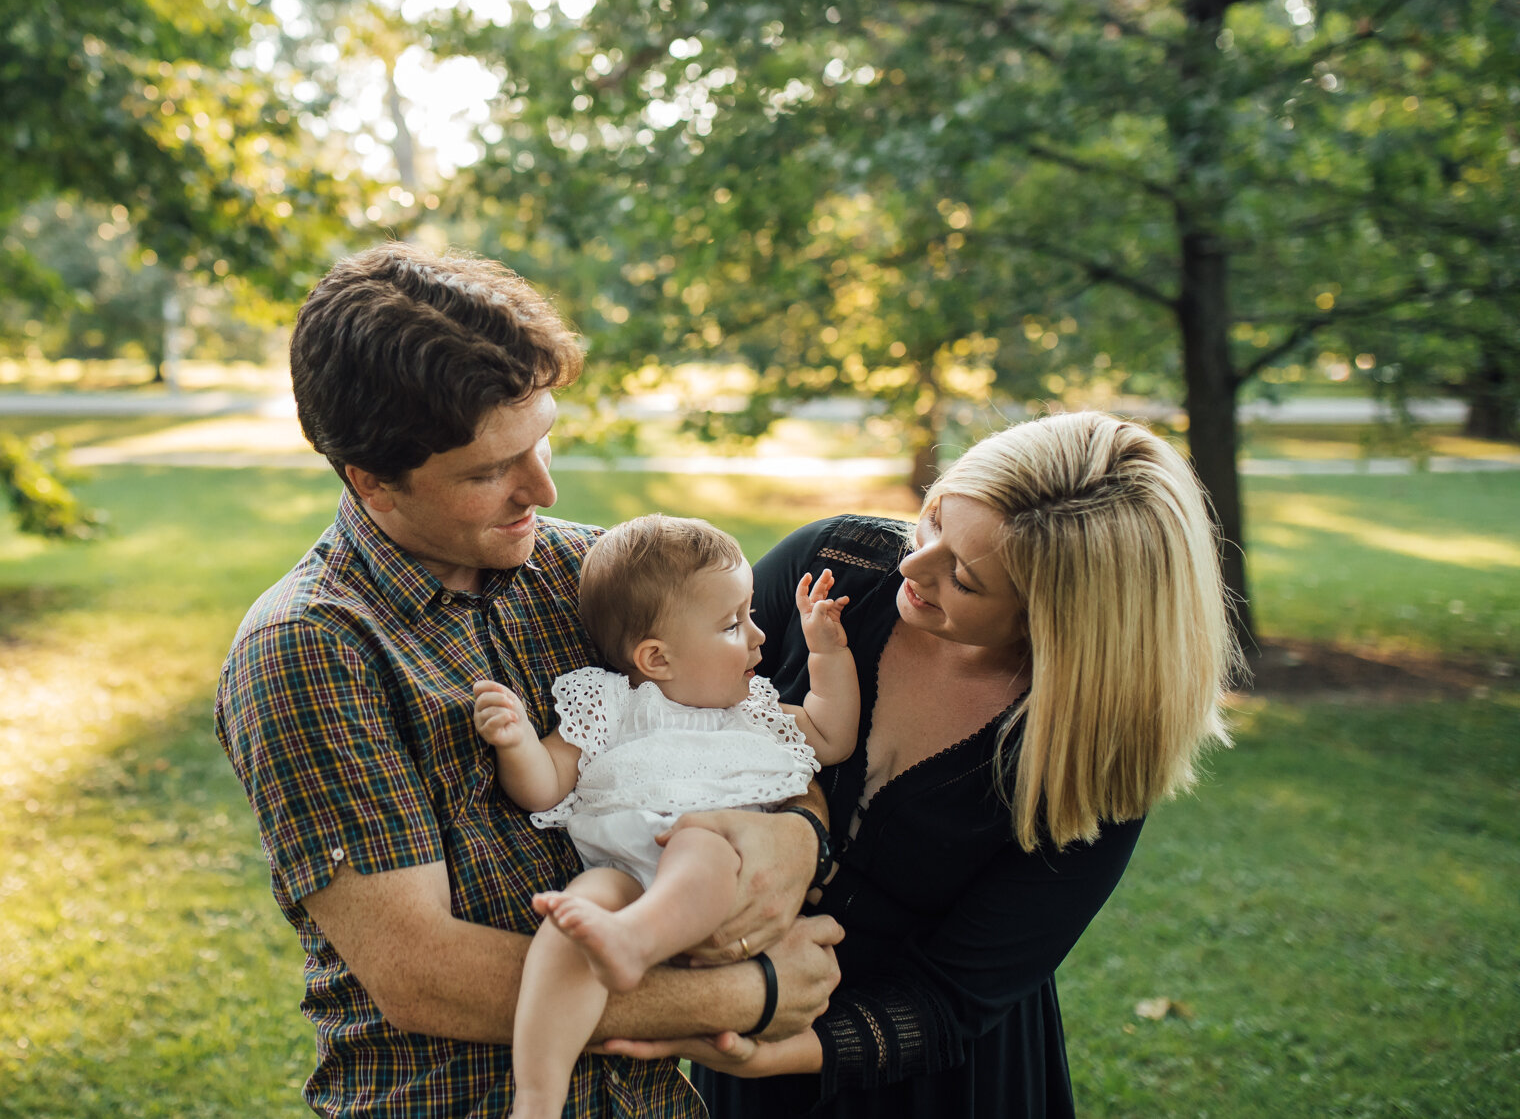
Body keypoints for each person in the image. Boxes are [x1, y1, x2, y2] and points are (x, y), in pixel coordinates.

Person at [214, 243, 844, 1119]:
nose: (540, 487)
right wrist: (749, 991)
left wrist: (799, 836)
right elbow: (422, 974)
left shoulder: (594, 571)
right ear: (372, 483)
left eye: (541, 440)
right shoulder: (310, 647)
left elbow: (750, 741)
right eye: (487, 472)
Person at [603, 410, 1241, 1119]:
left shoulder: (1095, 749)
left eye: (962, 577)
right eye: (933, 519)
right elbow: (662, 693)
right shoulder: (835, 565)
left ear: (1052, 622)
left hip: (937, 1080)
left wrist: (767, 1049)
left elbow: (952, 997)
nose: (914, 564)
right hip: (752, 1027)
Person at [472, 515, 860, 1119]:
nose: (759, 637)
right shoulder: (606, 702)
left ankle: (633, 940)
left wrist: (827, 652)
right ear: (656, 658)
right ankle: (537, 1099)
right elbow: (545, 788)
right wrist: (516, 741)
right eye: (734, 624)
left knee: (701, 841)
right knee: (573, 921)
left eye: (751, 614)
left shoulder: (753, 711)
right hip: (620, 870)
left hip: (711, 882)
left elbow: (832, 735)